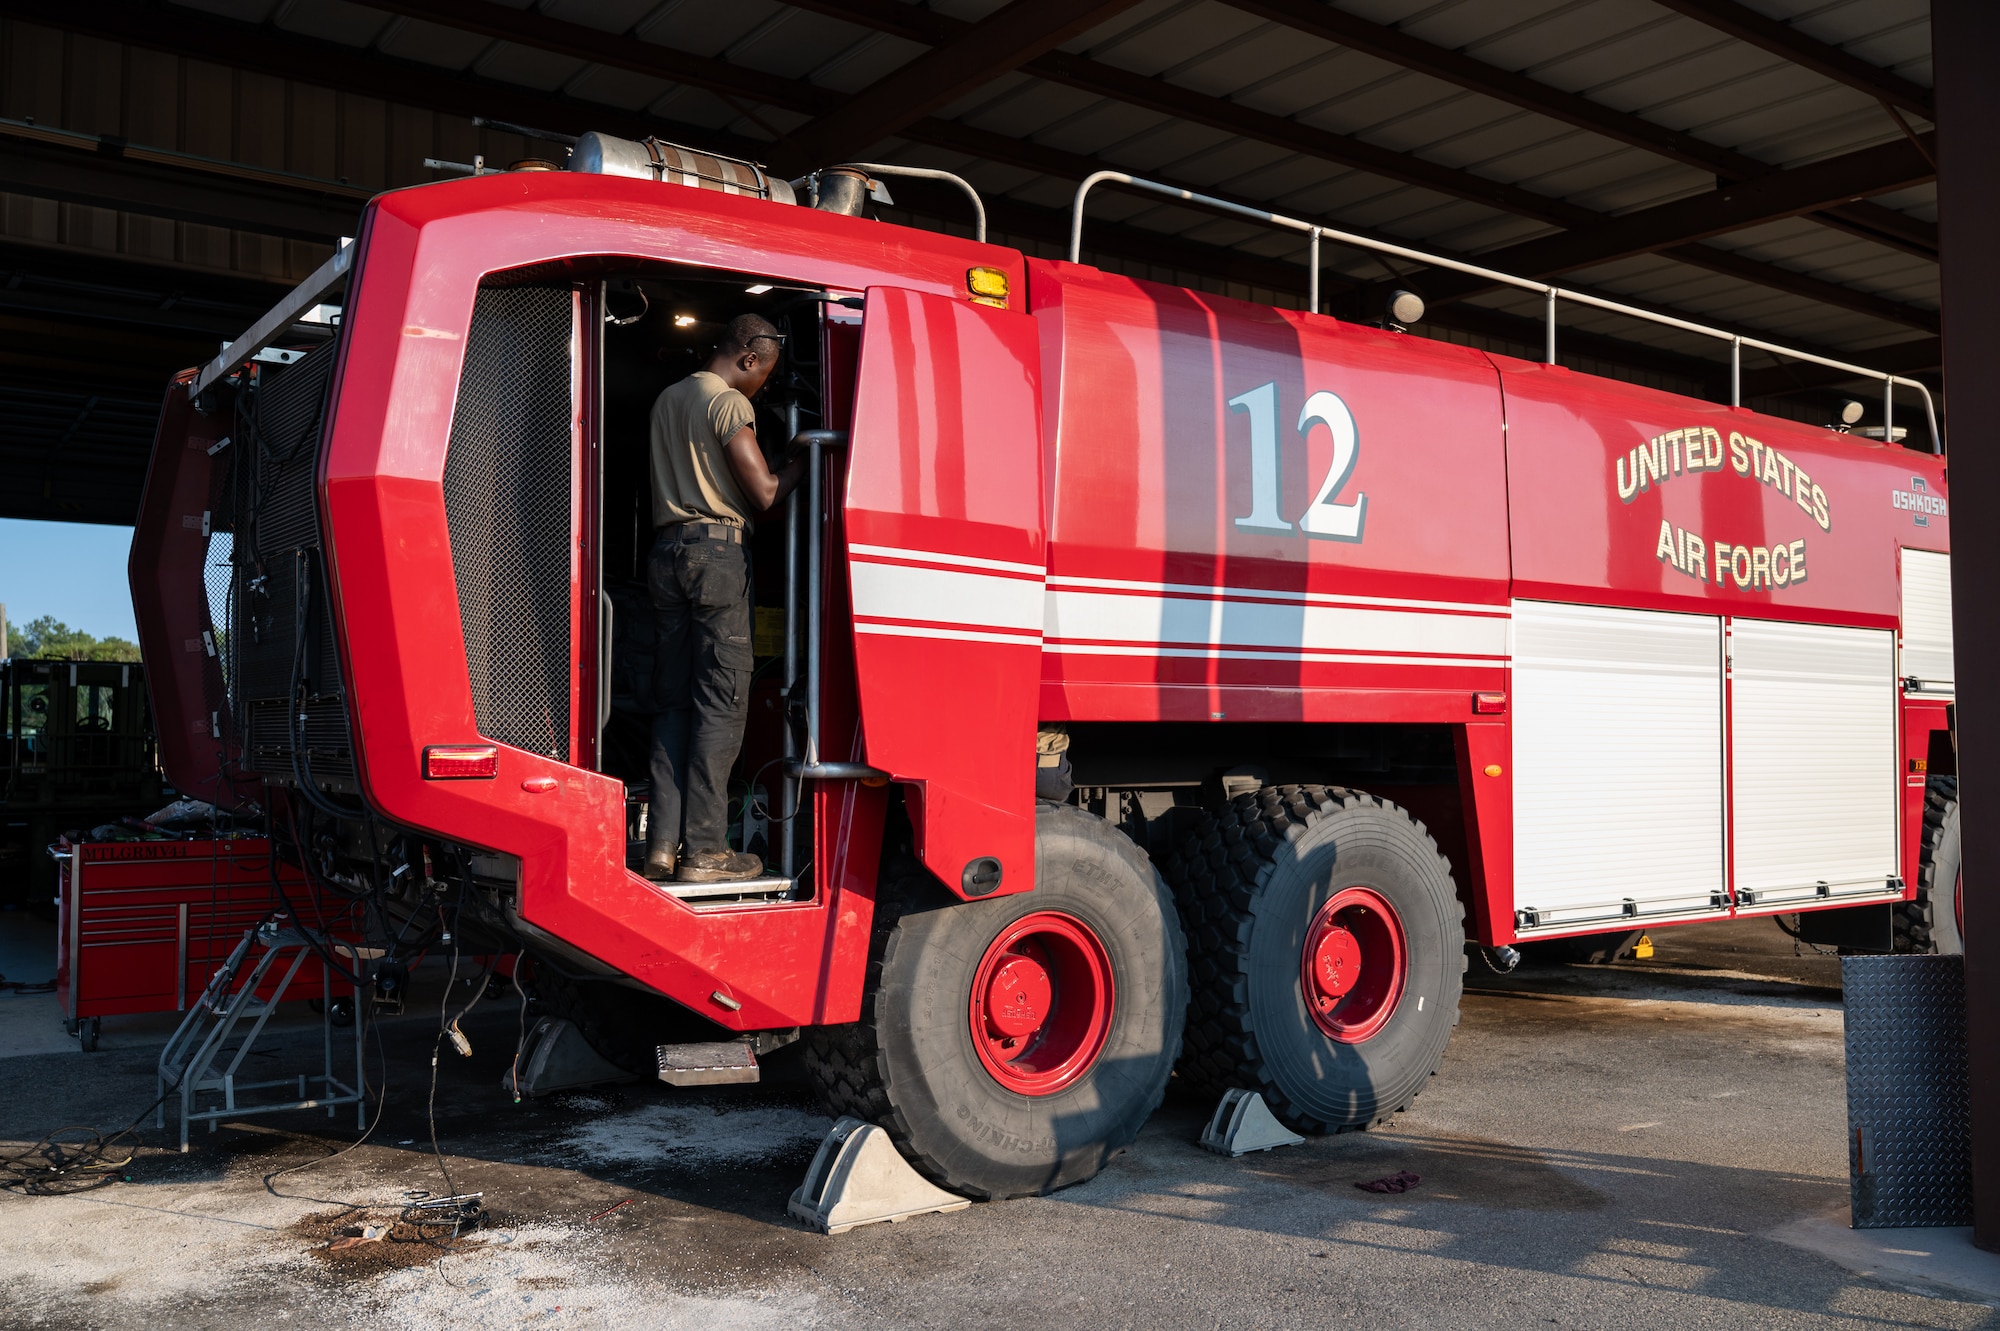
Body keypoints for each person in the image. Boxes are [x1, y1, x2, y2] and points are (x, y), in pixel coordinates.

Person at [645, 313, 807, 884]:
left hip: (665, 556)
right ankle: (708, 851)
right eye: (763, 372)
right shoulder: (727, 403)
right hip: (716, 555)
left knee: (673, 704)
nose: (761, 384)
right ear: (747, 357)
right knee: (721, 702)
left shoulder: (668, 398)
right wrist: (800, 460)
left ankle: (662, 845)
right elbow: (762, 492)